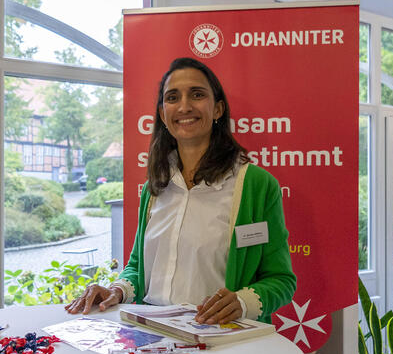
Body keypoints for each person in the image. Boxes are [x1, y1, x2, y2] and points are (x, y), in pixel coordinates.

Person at [65, 57, 296, 324]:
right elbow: (138, 267)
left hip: (222, 342)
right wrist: (117, 290)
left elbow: (281, 280)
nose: (184, 106)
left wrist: (242, 302)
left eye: (197, 95)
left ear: (218, 108)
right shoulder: (155, 186)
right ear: (163, 114)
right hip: (151, 339)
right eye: (172, 98)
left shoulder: (256, 185)